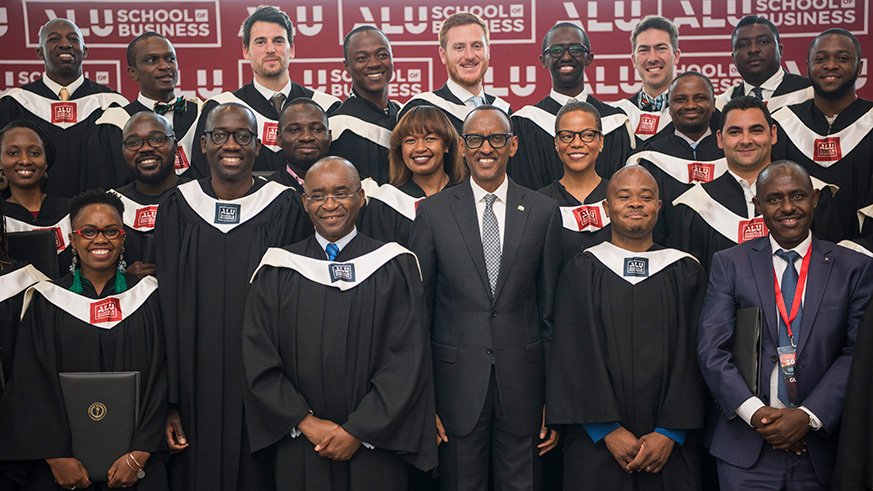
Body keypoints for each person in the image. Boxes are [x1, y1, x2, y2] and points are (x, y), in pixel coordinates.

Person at [242, 156, 437, 490]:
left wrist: (359, 430)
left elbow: (407, 359)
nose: (329, 204)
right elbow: (259, 357)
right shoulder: (278, 269)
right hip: (302, 443)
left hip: (377, 445)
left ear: (361, 197)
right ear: (305, 202)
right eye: (318, 195)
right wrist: (304, 422)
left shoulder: (393, 265)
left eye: (341, 193)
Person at [154, 102, 311, 491]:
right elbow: (166, 306)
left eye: (243, 136)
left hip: (264, 376)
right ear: (203, 143)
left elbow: (296, 302)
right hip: (193, 379)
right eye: (220, 135)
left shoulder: (284, 204)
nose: (232, 144)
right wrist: (167, 399)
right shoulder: (177, 206)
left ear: (258, 147)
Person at [409, 106, 563, 491]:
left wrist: (553, 398)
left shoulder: (543, 212)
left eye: (497, 139)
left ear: (512, 145)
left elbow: (551, 314)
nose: (486, 149)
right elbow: (418, 315)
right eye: (475, 140)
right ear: (461, 147)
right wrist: (424, 399)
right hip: (454, 390)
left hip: (525, 390)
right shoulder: (433, 213)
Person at [698, 161, 873, 490]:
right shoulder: (729, 264)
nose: (788, 207)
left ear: (815, 198)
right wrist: (759, 417)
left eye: (798, 196)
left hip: (820, 448)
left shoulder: (855, 268)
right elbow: (712, 350)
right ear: (757, 205)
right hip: (746, 449)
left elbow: (856, 354)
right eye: (775, 199)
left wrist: (807, 416)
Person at [547, 165, 706, 490]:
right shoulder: (581, 270)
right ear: (606, 208)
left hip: (670, 446)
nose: (636, 203)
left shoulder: (686, 271)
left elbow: (697, 354)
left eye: (646, 197)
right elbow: (571, 353)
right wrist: (606, 429)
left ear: (659, 207)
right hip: (596, 443)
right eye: (624, 196)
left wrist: (670, 432)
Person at [0, 189, 169, 491]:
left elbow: (162, 376)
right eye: (88, 231)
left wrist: (141, 453)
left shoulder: (149, 297)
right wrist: (55, 456)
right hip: (64, 472)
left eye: (111, 231)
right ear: (73, 239)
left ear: (123, 237)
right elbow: (29, 381)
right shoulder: (46, 300)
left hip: (137, 467)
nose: (100, 240)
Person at [669, 96, 839, 272]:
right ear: (719, 139)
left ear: (773, 134)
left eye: (756, 130)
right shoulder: (695, 206)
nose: (746, 140)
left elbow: (833, 267)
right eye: (735, 132)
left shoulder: (811, 195)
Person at [190, 6, 341, 177]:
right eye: (260, 42)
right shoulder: (220, 109)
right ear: (246, 51)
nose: (270, 49)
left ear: (291, 49)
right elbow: (203, 175)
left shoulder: (326, 108)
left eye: (278, 41)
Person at [0, 18, 127, 198]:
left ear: (85, 51)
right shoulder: (14, 104)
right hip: (28, 219)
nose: (65, 44)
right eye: (53, 39)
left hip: (98, 219)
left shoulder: (112, 104)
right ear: (40, 52)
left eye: (73, 39)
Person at [771, 29, 871, 241]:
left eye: (842, 58)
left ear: (860, 67)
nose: (831, 65)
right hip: (793, 255)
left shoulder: (870, 121)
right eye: (821, 59)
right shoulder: (783, 124)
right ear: (808, 67)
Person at [509, 22, 634, 190]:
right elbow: (524, 187)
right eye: (556, 50)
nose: (566, 57)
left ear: (589, 58)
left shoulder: (615, 122)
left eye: (575, 49)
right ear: (543, 60)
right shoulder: (525, 123)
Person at [84, 32, 203, 189]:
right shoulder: (115, 123)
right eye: (152, 60)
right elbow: (105, 186)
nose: (164, 66)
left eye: (170, 59)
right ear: (133, 72)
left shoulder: (201, 113)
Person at [628, 72, 724, 243]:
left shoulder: (729, 154)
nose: (690, 105)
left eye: (700, 98)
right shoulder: (650, 157)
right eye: (680, 100)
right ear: (669, 106)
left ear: (714, 104)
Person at [357, 105, 466, 247]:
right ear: (400, 149)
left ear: (446, 145)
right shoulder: (386, 204)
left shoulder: (468, 196)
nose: (420, 148)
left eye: (430, 138)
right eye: (410, 140)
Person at [398, 13, 511, 134]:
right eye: (459, 48)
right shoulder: (420, 110)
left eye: (477, 46)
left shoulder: (504, 113)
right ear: (443, 55)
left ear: (488, 51)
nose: (469, 56)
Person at [109, 112, 189, 279]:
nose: (145, 148)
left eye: (157, 139)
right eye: (133, 142)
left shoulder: (198, 197)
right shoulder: (110, 206)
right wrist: (122, 277)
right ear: (123, 150)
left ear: (175, 146)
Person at [537, 101, 611, 263]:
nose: (577, 144)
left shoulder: (618, 198)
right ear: (556, 142)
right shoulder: (539, 204)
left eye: (587, 135)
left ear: (601, 141)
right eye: (567, 136)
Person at [328, 26, 399, 184]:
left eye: (382, 55)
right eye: (361, 58)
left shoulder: (402, 115)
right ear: (347, 66)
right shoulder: (339, 128)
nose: (374, 63)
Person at [1, 120, 72, 275]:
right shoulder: (2, 218)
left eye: (35, 153)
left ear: (45, 162)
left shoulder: (71, 212)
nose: (25, 161)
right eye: (13, 153)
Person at [716, 16, 812, 111]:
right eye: (743, 45)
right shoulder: (725, 103)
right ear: (733, 58)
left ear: (780, 50)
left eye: (763, 42)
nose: (753, 50)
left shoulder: (809, 93)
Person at [612, 16, 682, 144]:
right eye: (644, 50)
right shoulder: (617, 115)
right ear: (634, 60)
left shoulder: (695, 113)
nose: (652, 58)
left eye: (661, 49)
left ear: (676, 56)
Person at [267, 98, 331, 194]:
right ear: (279, 139)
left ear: (329, 137)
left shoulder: (350, 185)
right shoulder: (266, 191)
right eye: (294, 130)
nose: (306, 137)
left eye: (317, 129)